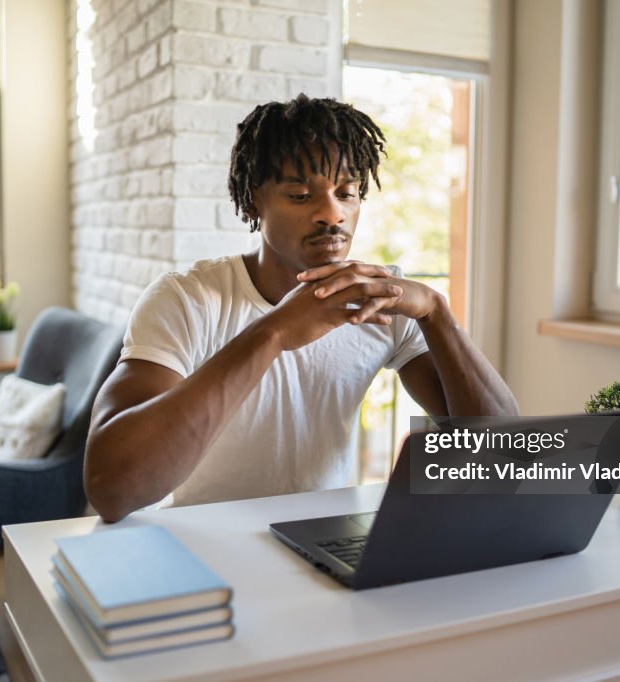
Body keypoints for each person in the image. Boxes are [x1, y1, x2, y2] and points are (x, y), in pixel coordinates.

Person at [84, 94, 518, 523]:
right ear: (254, 200)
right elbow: (111, 488)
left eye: (347, 193)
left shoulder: (379, 302)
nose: (332, 214)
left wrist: (436, 313)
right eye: (300, 195)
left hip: (326, 541)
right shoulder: (186, 299)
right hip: (205, 545)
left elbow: (503, 460)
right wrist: (273, 333)